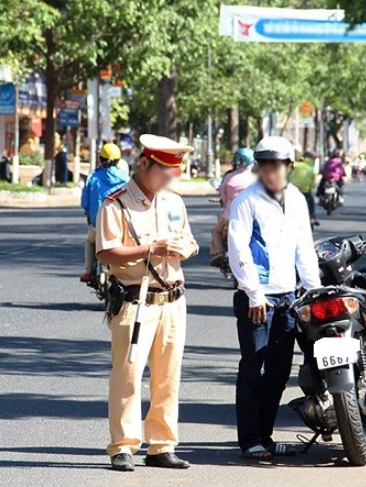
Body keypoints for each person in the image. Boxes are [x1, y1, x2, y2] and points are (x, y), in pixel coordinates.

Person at [96, 134, 199, 472]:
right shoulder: (116, 204)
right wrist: (150, 250)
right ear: (144, 164)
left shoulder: (173, 202)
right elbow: (106, 251)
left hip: (172, 299)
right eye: (165, 171)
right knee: (127, 376)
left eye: (175, 172)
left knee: (168, 376)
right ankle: (122, 446)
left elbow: (190, 241)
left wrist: (187, 249)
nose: (172, 178)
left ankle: (161, 445)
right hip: (134, 300)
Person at [228, 136, 320, 461]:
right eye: (265, 165)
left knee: (279, 372)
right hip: (257, 300)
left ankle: (264, 437)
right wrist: (253, 293)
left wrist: (314, 290)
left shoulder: (296, 199)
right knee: (253, 368)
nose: (271, 171)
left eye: (277, 165)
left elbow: (304, 248)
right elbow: (238, 248)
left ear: (290, 167)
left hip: (288, 299)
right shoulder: (246, 201)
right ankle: (249, 440)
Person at [79, 142, 129, 282]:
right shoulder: (126, 179)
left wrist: (88, 213)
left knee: (90, 241)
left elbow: (85, 203)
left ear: (100, 159)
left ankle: (89, 271)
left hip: (97, 224)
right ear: (118, 161)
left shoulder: (93, 178)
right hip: (120, 226)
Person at [210, 148, 256, 267]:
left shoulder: (230, 177)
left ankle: (219, 252)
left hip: (229, 215)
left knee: (216, 231)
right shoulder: (256, 178)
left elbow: (223, 195)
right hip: (252, 216)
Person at [289, 149, 319, 227]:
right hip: (304, 192)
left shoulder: (295, 165)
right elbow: (312, 185)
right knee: (311, 201)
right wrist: (308, 190)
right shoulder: (311, 170)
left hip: (291, 191)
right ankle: (313, 217)